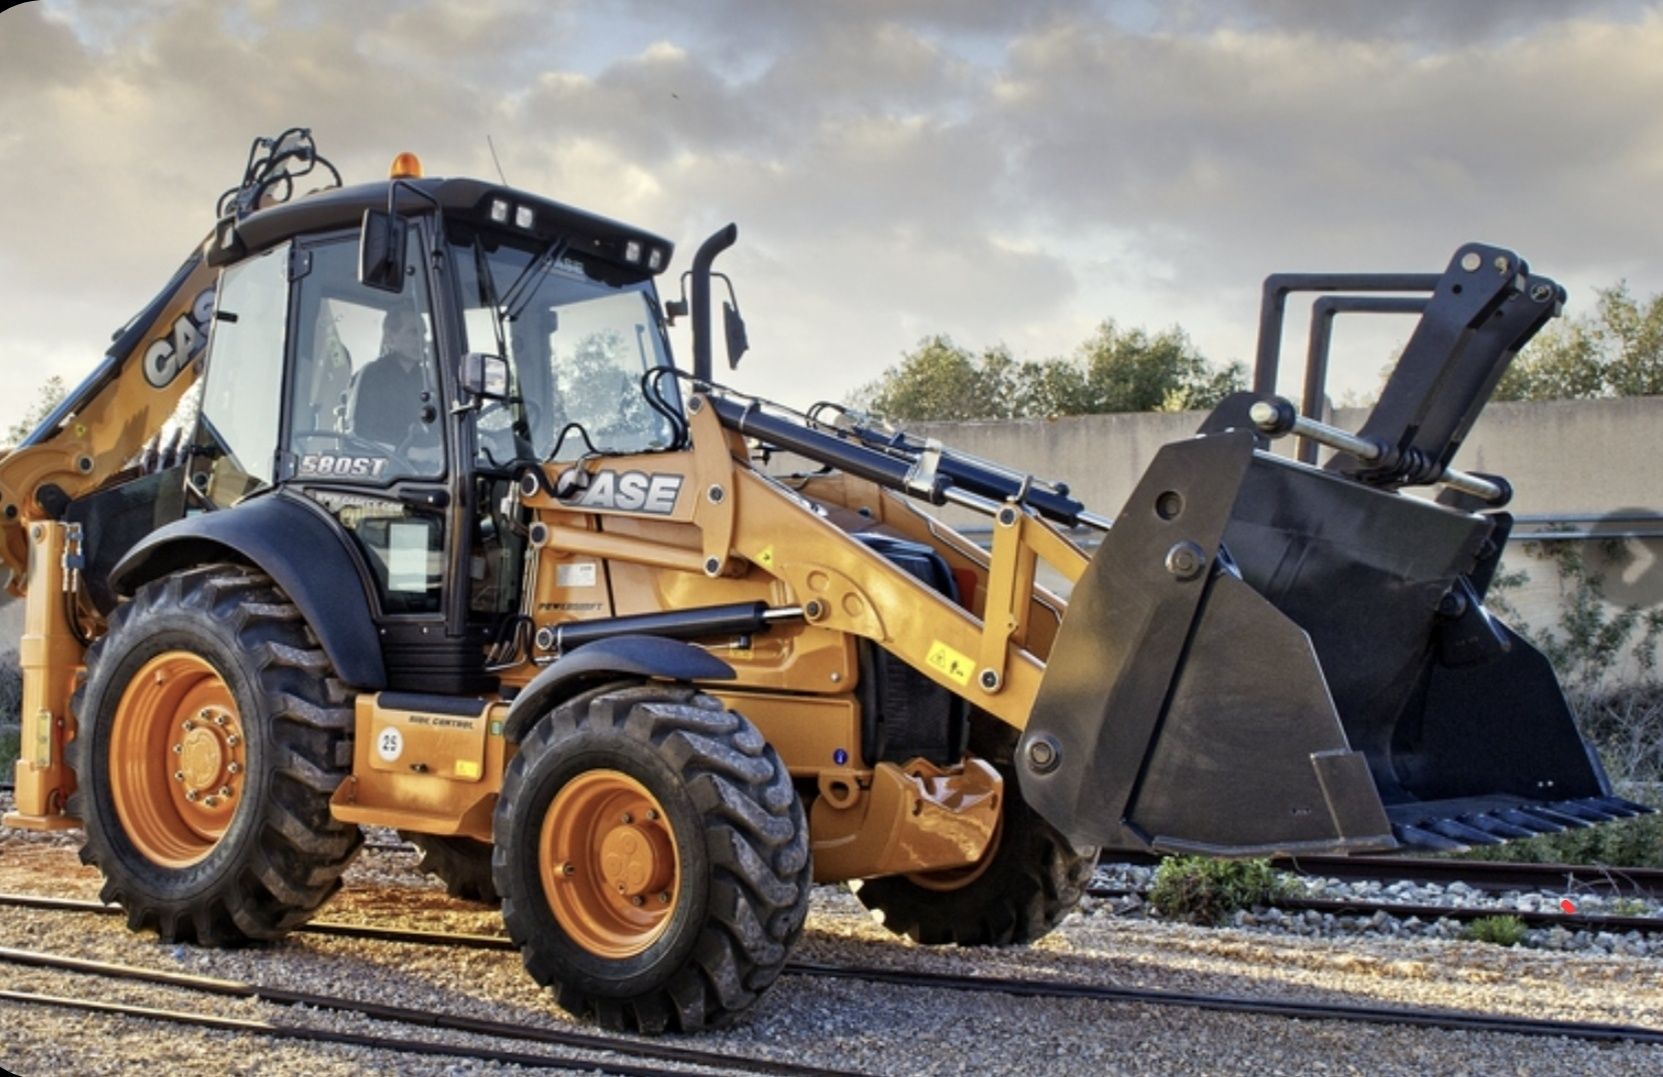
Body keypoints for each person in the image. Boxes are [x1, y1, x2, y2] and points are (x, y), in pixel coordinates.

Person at [350, 307, 433, 445]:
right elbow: (361, 434)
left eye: (423, 334)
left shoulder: (426, 379)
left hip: (431, 464)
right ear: (390, 337)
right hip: (386, 462)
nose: (422, 341)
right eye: (414, 332)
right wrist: (412, 453)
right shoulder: (372, 375)